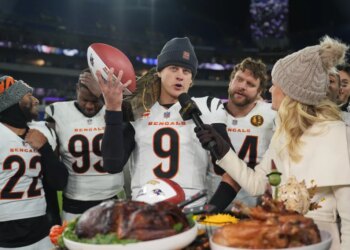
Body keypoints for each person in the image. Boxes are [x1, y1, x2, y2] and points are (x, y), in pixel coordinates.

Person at [195, 36, 350, 250]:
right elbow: (256, 184)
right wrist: (223, 152)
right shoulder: (282, 134)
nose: (269, 90)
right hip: (281, 238)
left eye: (275, 84)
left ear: (290, 93)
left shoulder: (337, 134)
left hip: (322, 242)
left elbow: (349, 218)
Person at [98, 37, 231, 207]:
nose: (180, 76)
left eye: (186, 71)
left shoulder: (208, 107)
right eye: (174, 68)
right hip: (145, 210)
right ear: (159, 72)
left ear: (192, 80)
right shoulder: (137, 111)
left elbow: (228, 170)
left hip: (191, 209)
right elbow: (112, 164)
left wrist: (211, 210)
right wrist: (113, 109)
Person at [45, 68, 124, 221]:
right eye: (84, 100)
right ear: (76, 90)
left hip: (112, 199)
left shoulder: (118, 109)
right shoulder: (57, 112)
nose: (89, 106)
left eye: (95, 101)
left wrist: (105, 95)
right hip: (74, 203)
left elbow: (133, 109)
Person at [0, 75, 68, 249]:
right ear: (12, 102)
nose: (36, 100)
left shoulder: (41, 132)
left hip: (41, 231)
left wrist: (44, 148)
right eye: (29, 96)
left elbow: (60, 182)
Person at [208, 58, 276, 211]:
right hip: (213, 202)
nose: (242, 86)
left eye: (250, 84)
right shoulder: (210, 111)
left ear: (259, 92)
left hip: (252, 208)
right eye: (239, 79)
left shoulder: (271, 114)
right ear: (231, 81)